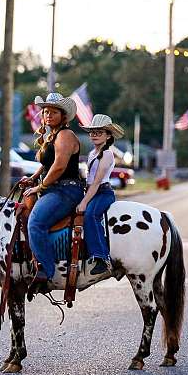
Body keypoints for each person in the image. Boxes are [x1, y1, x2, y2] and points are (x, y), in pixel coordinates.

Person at [22, 93, 84, 290]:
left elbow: (58, 166)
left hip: (66, 190)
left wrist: (40, 187)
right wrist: (32, 178)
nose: (48, 115)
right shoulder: (52, 136)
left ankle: (45, 271)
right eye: (46, 111)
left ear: (63, 115)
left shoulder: (66, 135)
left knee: (36, 223)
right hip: (55, 188)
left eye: (53, 112)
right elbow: (47, 165)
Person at [77, 114, 125, 275]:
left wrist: (84, 202)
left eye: (99, 132)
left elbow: (97, 181)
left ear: (108, 135)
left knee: (90, 215)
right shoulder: (92, 153)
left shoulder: (107, 154)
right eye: (92, 132)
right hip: (92, 191)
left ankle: (101, 257)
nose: (94, 135)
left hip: (103, 192)